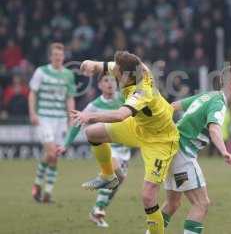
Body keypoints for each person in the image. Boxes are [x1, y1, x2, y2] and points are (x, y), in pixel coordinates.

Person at [71, 51, 179, 234]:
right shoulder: (130, 71)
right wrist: (90, 62)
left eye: (117, 71)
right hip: (139, 127)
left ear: (126, 74)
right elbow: (104, 66)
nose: (114, 74)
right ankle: (108, 176)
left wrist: (91, 115)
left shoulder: (142, 90)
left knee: (148, 196)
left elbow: (120, 115)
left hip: (160, 140)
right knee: (92, 134)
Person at [159, 66, 231, 234]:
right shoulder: (219, 102)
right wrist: (225, 152)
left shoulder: (208, 96)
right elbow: (214, 129)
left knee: (172, 204)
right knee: (202, 203)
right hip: (182, 152)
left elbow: (172, 106)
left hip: (171, 149)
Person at [59, 75, 132, 228]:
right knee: (113, 175)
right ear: (99, 85)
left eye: (112, 80)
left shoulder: (124, 99)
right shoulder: (94, 105)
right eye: (106, 81)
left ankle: (97, 210)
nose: (110, 83)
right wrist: (66, 144)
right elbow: (78, 122)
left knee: (119, 179)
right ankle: (99, 209)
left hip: (124, 148)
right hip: (106, 147)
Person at [30, 43, 76, 203]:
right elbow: (33, 93)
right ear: (50, 56)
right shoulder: (41, 71)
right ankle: (39, 185)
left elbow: (70, 97)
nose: (58, 57)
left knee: (54, 156)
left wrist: (71, 117)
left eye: (60, 55)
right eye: (55, 55)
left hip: (60, 120)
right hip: (44, 118)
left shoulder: (69, 75)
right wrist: (32, 113)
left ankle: (46, 191)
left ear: (63, 57)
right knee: (50, 153)